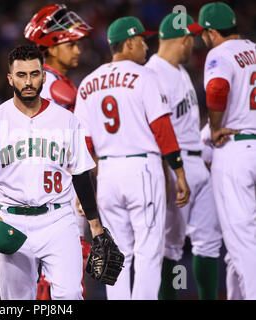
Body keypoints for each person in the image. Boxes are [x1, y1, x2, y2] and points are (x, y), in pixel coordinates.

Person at [0, 44, 107, 300]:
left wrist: (95, 224)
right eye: (21, 75)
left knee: (71, 294)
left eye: (34, 74)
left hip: (59, 220)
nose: (28, 81)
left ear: (43, 76)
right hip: (12, 222)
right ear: (10, 78)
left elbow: (82, 175)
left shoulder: (67, 121)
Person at [74, 16, 190, 300]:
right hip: (142, 168)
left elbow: (83, 145)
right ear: (127, 43)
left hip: (107, 173)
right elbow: (162, 129)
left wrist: (82, 189)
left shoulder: (88, 83)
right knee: (149, 250)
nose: (146, 46)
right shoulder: (145, 76)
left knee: (116, 252)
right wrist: (180, 172)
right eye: (141, 40)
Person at [145, 12, 222, 300]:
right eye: (192, 39)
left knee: (209, 241)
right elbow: (155, 130)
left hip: (197, 162)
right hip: (173, 167)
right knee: (171, 246)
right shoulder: (152, 73)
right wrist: (169, 171)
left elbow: (186, 125)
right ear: (184, 39)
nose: (195, 45)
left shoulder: (180, 71)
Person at [24, 3, 93, 299]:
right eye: (71, 44)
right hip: (59, 190)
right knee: (66, 272)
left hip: (53, 187)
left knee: (60, 272)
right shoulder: (51, 85)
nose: (77, 50)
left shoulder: (50, 81)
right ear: (51, 47)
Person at [194, 1, 256, 299]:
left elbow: (217, 89)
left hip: (237, 148)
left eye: (203, 34)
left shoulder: (220, 52)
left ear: (211, 32)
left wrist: (215, 127)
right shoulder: (255, 49)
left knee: (242, 240)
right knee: (239, 247)